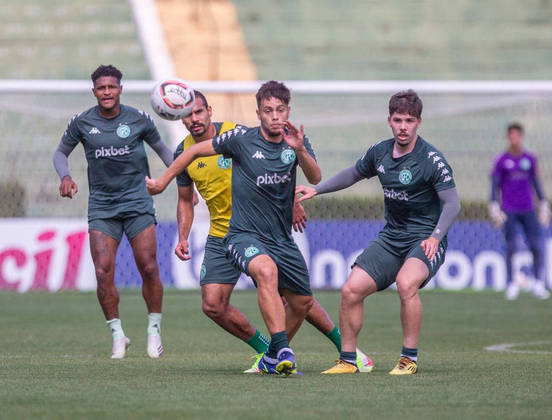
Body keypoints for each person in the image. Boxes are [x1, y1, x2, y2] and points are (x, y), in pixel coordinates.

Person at [173, 90, 372, 373]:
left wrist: (291, 202)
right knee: (213, 305)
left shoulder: (236, 134)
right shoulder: (183, 152)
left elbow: (276, 163)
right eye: (187, 114)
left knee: (294, 297)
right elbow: (184, 199)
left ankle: (348, 350)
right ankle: (267, 352)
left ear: (209, 111)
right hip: (222, 233)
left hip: (261, 228)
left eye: (199, 112)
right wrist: (183, 235)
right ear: (178, 117)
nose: (194, 119)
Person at [146, 80, 322, 376]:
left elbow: (315, 178)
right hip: (239, 234)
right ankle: (284, 349)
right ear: (259, 113)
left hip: (280, 237)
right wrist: (163, 181)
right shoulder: (240, 139)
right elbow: (190, 155)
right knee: (261, 274)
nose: (275, 116)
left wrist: (301, 152)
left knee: (303, 302)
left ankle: (273, 356)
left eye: (280, 110)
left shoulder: (296, 142)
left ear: (288, 111)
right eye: (268, 111)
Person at [295, 89, 461, 375]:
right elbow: (353, 173)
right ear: (389, 120)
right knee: (350, 290)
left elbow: (453, 204)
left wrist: (435, 236)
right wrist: (317, 189)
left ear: (419, 122)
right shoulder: (380, 152)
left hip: (424, 237)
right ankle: (349, 360)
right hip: (392, 236)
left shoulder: (432, 160)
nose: (403, 126)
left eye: (409, 120)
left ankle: (408, 359)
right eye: (398, 120)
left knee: (406, 283)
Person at [52, 65, 173, 359]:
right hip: (102, 206)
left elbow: (165, 152)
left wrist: (183, 182)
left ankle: (154, 329)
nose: (107, 92)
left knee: (148, 266)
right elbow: (60, 153)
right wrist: (65, 176)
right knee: (103, 271)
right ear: (94, 91)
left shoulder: (139, 119)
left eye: (111, 87)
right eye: (101, 88)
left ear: (120, 89)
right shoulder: (81, 122)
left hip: (137, 202)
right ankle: (118, 335)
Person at [489, 123, 552, 300]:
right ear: (508, 138)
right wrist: (493, 204)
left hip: (528, 208)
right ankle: (511, 284)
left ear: (521, 137)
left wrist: (544, 203)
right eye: (511, 136)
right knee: (511, 246)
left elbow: (536, 182)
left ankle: (539, 283)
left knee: (536, 245)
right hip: (509, 209)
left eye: (517, 136)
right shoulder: (501, 160)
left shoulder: (530, 159)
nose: (514, 139)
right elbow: (494, 184)